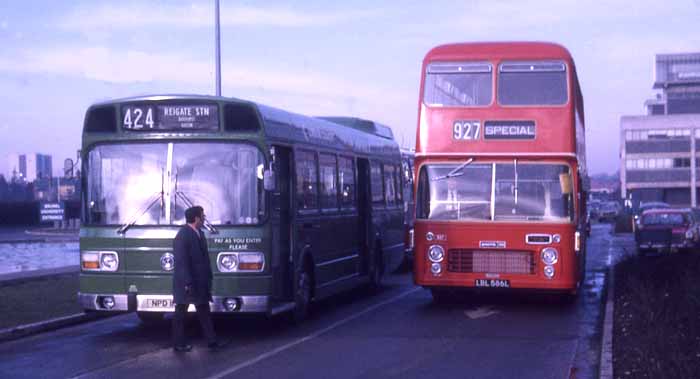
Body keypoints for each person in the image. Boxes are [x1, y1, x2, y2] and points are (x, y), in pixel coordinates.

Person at [172, 205, 227, 352]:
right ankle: (179, 343)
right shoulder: (183, 235)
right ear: (196, 218)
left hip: (200, 282)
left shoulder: (199, 233)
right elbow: (182, 261)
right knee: (180, 312)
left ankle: (212, 341)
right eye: (203, 216)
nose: (204, 218)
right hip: (187, 282)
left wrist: (208, 276)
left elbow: (204, 259)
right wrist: (187, 282)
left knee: (204, 311)